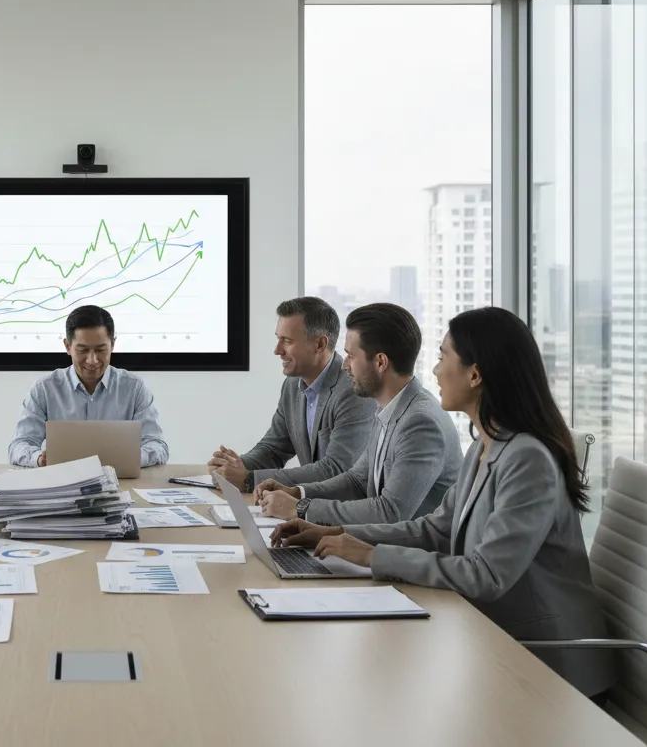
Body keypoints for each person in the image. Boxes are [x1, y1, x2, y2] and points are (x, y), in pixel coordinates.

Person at [274, 307, 616, 700]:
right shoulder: (487, 446)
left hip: (545, 665)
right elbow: (435, 528)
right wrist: (337, 533)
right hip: (494, 638)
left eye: (442, 357)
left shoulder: (527, 458)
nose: (434, 371)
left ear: (475, 373)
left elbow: (486, 575)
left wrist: (371, 556)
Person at [254, 303, 461, 524]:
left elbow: (390, 512)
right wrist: (296, 492)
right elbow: (357, 480)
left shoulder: (420, 422)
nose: (344, 366)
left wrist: (301, 508)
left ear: (380, 362)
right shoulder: (388, 408)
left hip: (415, 553)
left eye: (351, 356)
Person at [209, 297, 375, 491]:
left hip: (343, 511)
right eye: (278, 339)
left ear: (320, 344)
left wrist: (249, 479)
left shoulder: (353, 391)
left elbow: (337, 469)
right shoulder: (292, 384)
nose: (277, 350)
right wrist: (234, 466)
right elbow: (274, 448)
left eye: (287, 341)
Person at [8, 304, 168, 467]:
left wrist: (129, 458)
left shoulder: (134, 389)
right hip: (62, 483)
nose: (92, 360)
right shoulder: (44, 389)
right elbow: (19, 445)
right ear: (68, 346)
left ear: (112, 345)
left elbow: (158, 446)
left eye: (100, 350)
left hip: (120, 482)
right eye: (83, 350)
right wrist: (38, 458)